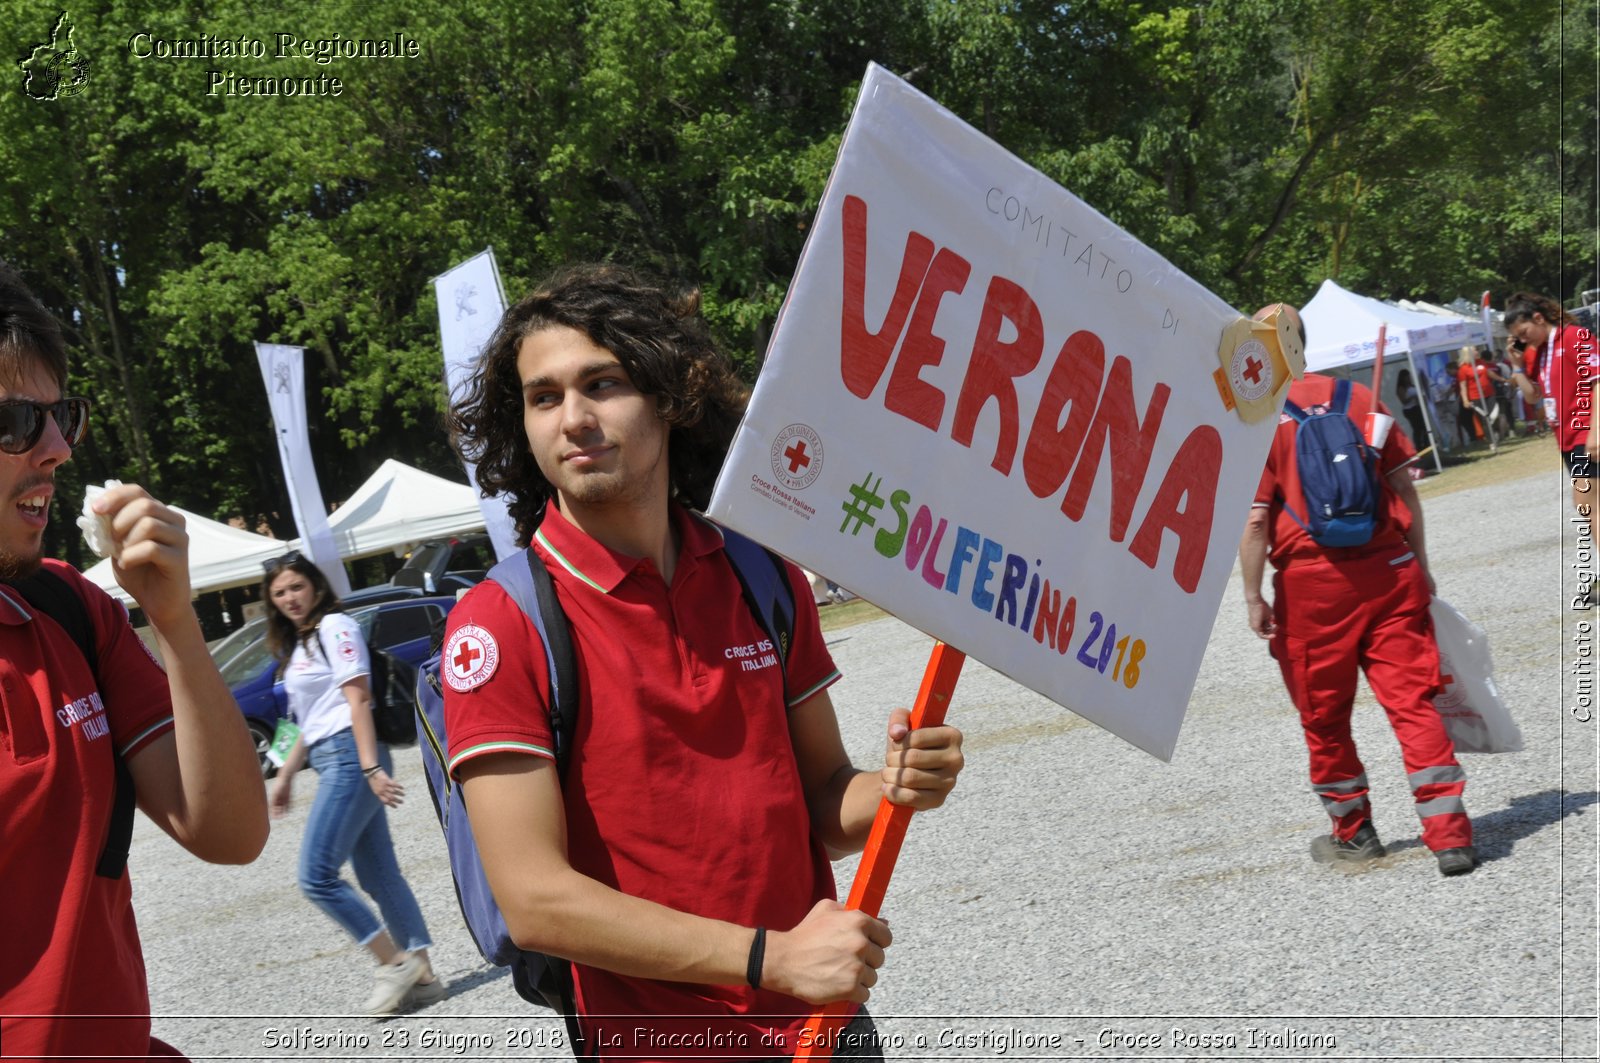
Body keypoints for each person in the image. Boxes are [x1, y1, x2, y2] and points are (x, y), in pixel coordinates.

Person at [443, 263, 966, 1060]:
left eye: (602, 383)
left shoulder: (760, 573)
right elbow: (536, 902)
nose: (573, 417)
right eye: (544, 396)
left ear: (668, 395)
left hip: (826, 1028)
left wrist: (892, 787)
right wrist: (771, 956)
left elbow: (827, 804)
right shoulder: (500, 624)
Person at [0, 261, 269, 1058]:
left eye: (62, 417)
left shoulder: (71, 609)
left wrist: (175, 621)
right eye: (18, 422)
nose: (56, 450)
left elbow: (228, 830)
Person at [1239, 302, 1476, 878]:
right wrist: (1420, 565)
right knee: (1412, 705)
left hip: (1314, 587)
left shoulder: (1260, 420)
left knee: (1324, 716)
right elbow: (1407, 494)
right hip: (1390, 572)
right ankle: (1449, 837)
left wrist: (1252, 596)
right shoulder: (1364, 401)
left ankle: (1355, 833)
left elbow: (1253, 522)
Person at [263, 553, 444, 1015]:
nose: (290, 598)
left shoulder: (335, 628)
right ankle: (423, 977)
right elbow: (305, 720)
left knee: (316, 876)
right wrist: (284, 776)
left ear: (316, 587)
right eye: (280, 592)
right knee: (379, 873)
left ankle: (393, 963)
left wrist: (369, 769)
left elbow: (358, 700)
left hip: (351, 756)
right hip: (330, 758)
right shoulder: (301, 643)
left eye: (297, 588)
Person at [1504, 292, 1597, 604]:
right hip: (1568, 438)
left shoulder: (1573, 337)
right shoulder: (1541, 351)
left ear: (1538, 319)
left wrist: (1595, 432)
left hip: (1587, 435)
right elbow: (1532, 397)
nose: (1522, 340)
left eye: (1523, 333)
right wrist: (1517, 366)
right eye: (1517, 338)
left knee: (1588, 504)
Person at [1456, 349, 1500, 452]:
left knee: (1494, 414)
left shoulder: (1481, 362)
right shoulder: (1463, 369)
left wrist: (1502, 379)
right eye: (1475, 350)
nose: (1477, 351)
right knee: (1484, 419)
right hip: (1475, 397)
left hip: (1489, 393)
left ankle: (1496, 431)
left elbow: (1489, 373)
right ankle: (1491, 441)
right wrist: (1465, 400)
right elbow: (1463, 386)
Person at [1394, 367, 1429, 450]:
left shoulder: (1412, 385)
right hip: (1410, 410)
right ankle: (1419, 446)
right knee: (1417, 428)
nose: (1408, 378)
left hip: (1417, 407)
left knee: (1424, 426)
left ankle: (1426, 444)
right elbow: (1404, 401)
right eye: (1406, 377)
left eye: (1409, 376)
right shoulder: (1401, 388)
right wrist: (1412, 397)